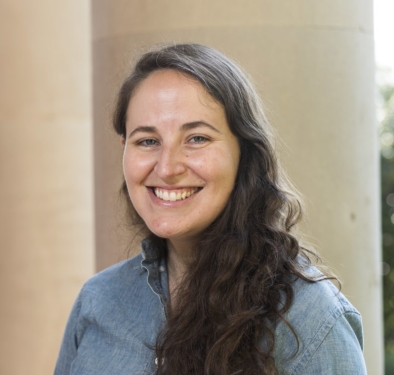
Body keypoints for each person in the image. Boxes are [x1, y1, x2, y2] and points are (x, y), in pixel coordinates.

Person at [54, 44, 366, 375]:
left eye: (197, 139)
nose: (167, 167)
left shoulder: (310, 319)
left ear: (245, 153)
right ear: (124, 149)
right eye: (147, 141)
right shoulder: (99, 301)